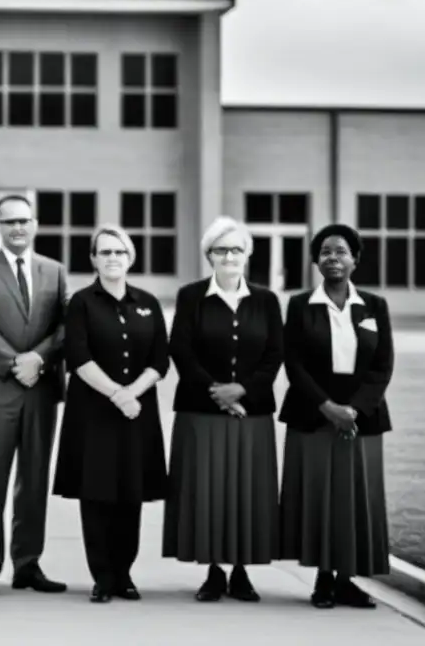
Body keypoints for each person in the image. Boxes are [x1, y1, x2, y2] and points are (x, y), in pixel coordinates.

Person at [161, 216, 283, 602]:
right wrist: (218, 393)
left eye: (236, 249)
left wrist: (242, 389)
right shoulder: (190, 296)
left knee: (247, 492)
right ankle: (214, 571)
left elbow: (275, 353)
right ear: (209, 255)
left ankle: (243, 571)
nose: (229, 256)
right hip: (202, 410)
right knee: (208, 491)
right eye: (220, 249)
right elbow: (180, 348)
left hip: (254, 411)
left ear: (247, 254)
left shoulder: (266, 300)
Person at [279, 223, 395, 609]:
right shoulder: (299, 305)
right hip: (314, 414)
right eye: (326, 251)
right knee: (319, 498)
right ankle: (323, 580)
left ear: (355, 259)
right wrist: (327, 407)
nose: (333, 258)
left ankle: (347, 579)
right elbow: (293, 364)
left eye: (341, 251)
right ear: (315, 260)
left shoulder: (375, 306)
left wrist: (355, 410)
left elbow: (382, 365)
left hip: (363, 418)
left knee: (353, 500)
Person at [53, 224, 170, 603]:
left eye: (119, 252)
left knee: (129, 496)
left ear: (130, 257)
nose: (113, 258)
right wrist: (118, 394)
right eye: (105, 252)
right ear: (93, 259)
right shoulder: (82, 302)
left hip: (137, 413)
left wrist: (132, 393)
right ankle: (103, 576)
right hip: (94, 414)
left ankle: (124, 574)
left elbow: (159, 360)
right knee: (98, 494)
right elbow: (78, 358)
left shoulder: (148, 302)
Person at [0, 194, 69, 598]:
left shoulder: (55, 271)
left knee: (34, 479)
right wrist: (14, 363)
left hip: (40, 390)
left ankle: (27, 564)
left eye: (23, 221)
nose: (17, 228)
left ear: (35, 224)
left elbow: (64, 325)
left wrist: (38, 361)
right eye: (9, 222)